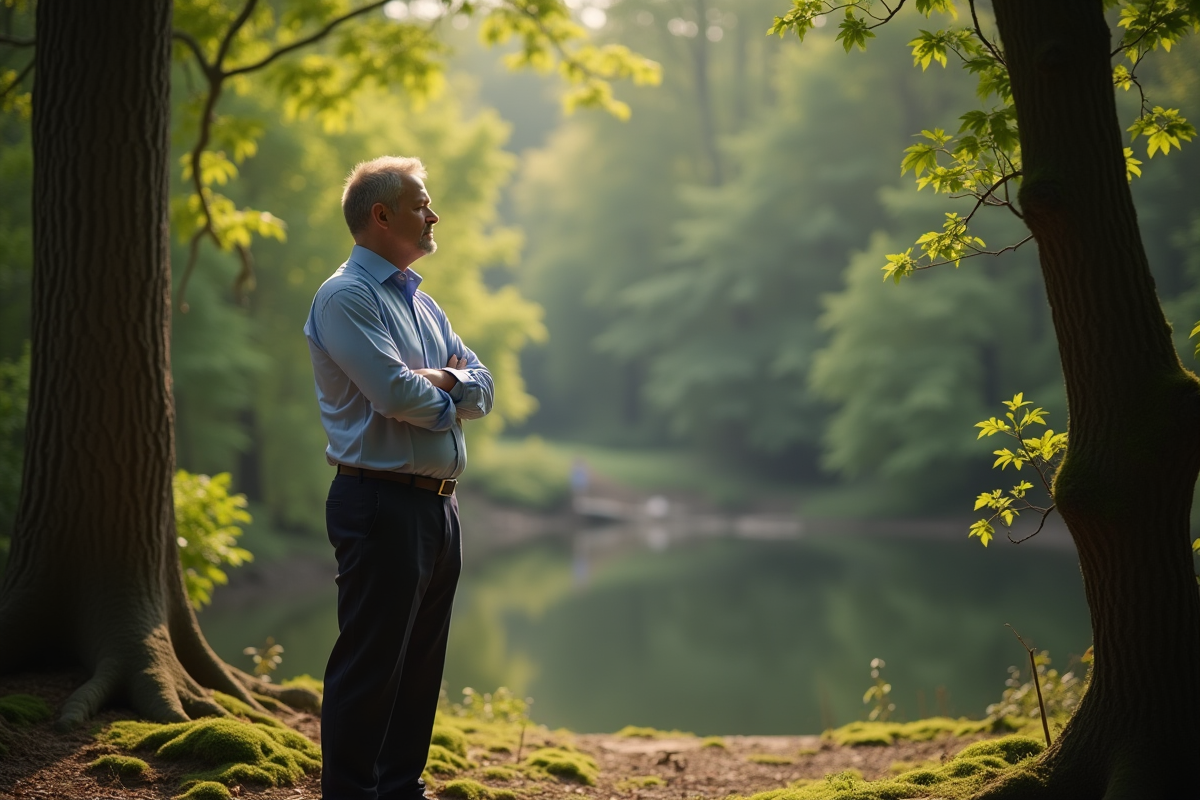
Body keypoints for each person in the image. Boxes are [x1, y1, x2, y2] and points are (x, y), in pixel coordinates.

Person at [304, 155, 494, 800]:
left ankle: (399, 789)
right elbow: (394, 395)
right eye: (421, 204)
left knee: (418, 668)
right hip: (378, 502)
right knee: (371, 666)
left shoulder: (423, 303)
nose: (433, 214)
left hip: (438, 508)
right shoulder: (345, 296)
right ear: (380, 215)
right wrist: (450, 388)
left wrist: (442, 383)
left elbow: (484, 384)